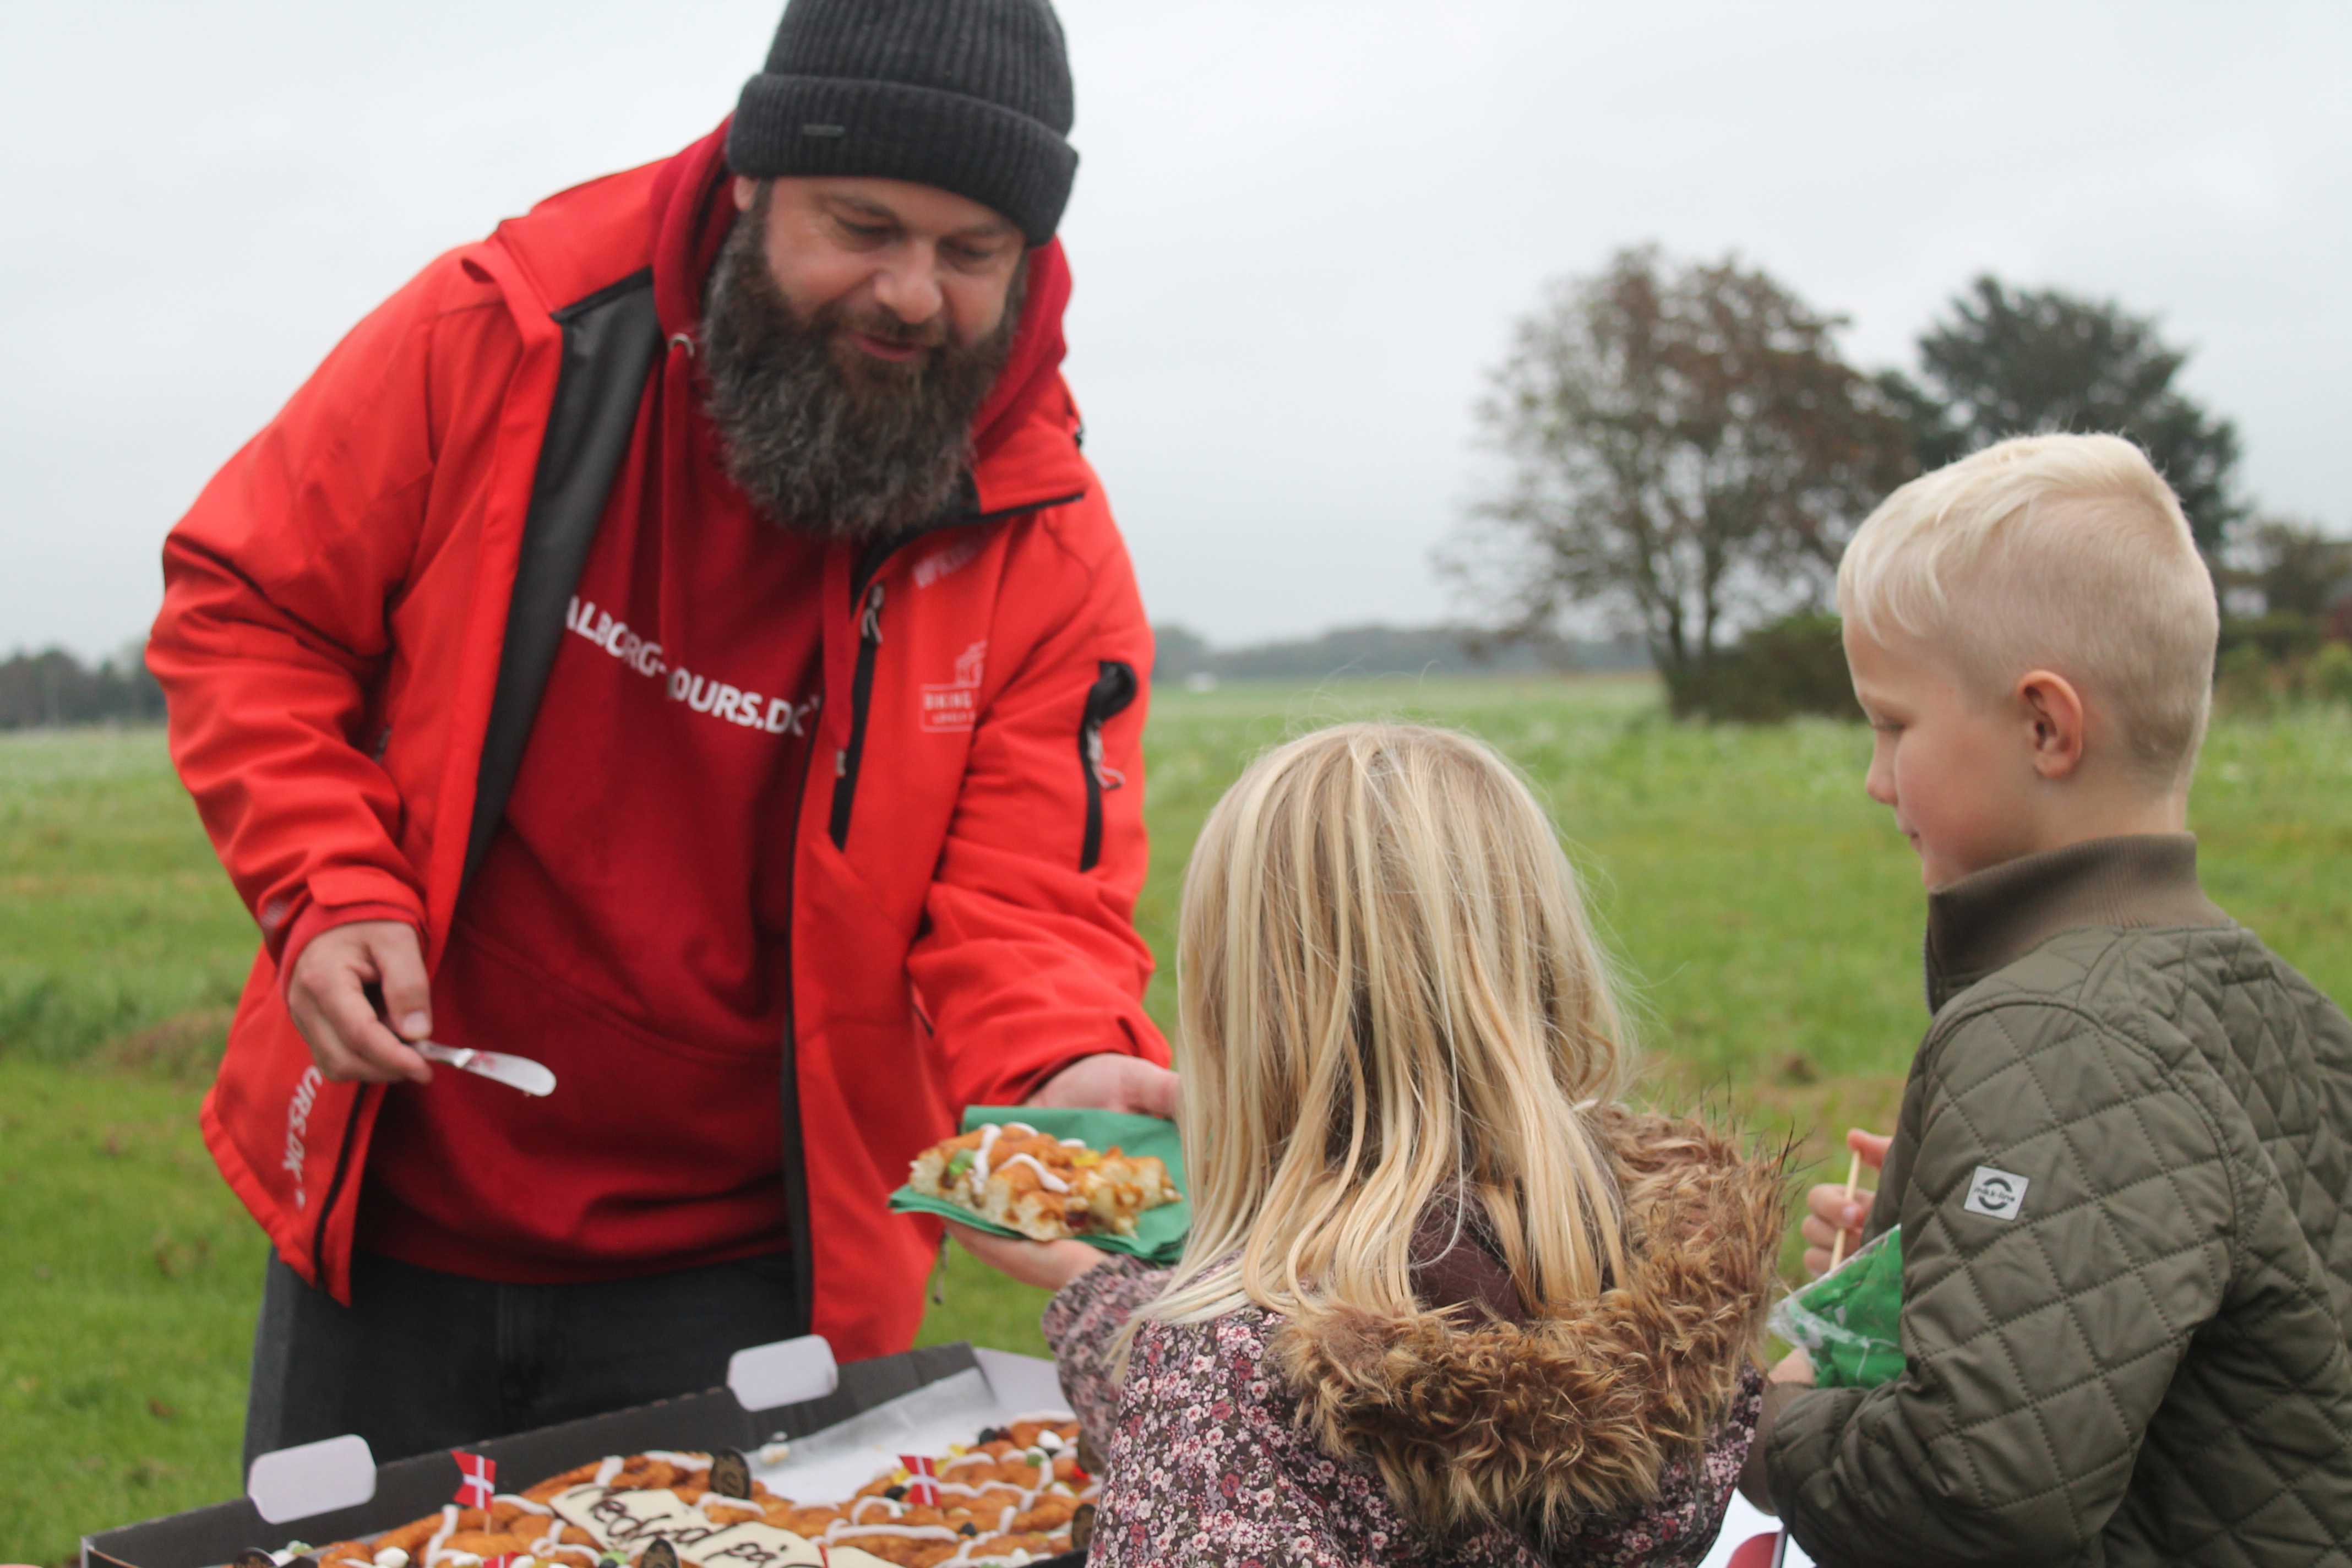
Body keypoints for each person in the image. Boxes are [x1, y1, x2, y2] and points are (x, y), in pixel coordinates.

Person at [148, 0, 1175, 1464]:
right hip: (397, 1208)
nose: (911, 295)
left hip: (756, 1270)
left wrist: (1061, 1072)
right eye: (863, 225)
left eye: (970, 254)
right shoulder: (508, 330)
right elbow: (250, 603)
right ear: (754, 182)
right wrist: (328, 887)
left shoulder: (1042, 543)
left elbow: (1028, 900)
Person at [957, 723, 1786, 1566]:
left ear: (1240, 1020)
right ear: (1541, 965)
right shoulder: (1649, 1279)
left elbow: (1231, 1445)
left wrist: (1160, 1335)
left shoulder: (1229, 1374)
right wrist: (1092, 1288)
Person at [1740, 434, 2352, 1560]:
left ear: (2044, 727)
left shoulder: (2052, 1032)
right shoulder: (2289, 1010)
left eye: (1893, 725)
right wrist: (1936, 1267)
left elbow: (1978, 1480)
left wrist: (1766, 1421)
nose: (1876, 779)